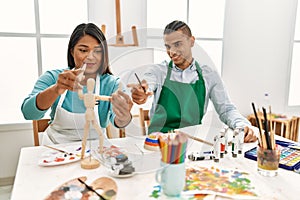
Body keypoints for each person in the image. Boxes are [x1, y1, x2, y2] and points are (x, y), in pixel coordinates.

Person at [128, 20, 256, 143]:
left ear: (191, 41)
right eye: (168, 46)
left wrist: (242, 125)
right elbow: (148, 84)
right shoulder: (158, 71)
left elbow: (226, 109)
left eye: (178, 44)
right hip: (158, 143)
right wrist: (142, 92)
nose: (172, 52)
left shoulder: (209, 75)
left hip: (192, 143)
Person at [21, 23, 132, 144]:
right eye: (83, 50)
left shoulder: (112, 84)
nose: (90, 57)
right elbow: (28, 113)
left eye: (98, 51)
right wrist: (56, 89)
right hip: (55, 149)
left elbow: (119, 123)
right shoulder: (52, 77)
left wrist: (124, 116)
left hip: (96, 150)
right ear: (72, 52)